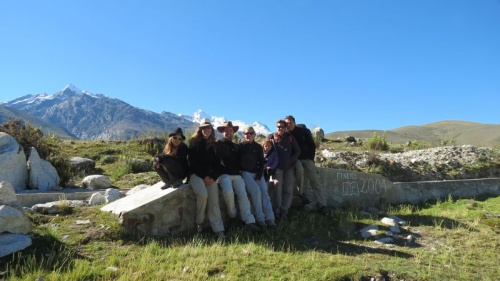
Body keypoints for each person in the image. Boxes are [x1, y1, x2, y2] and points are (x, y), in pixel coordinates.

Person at [215, 121, 260, 232]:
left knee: (243, 196)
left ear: (233, 132)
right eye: (225, 130)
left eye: (230, 130)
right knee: (228, 193)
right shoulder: (217, 145)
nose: (228, 132)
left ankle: (249, 221)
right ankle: (233, 216)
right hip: (223, 175)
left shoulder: (236, 146)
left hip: (237, 174)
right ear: (222, 132)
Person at [188, 118, 226, 239]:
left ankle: (219, 230)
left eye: (208, 128)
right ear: (200, 130)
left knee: (214, 201)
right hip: (195, 175)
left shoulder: (214, 144)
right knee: (203, 195)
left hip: (210, 177)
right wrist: (204, 176)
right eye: (203, 128)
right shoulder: (194, 143)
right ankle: (199, 223)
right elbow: (192, 164)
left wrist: (213, 177)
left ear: (211, 129)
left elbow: (217, 164)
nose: (206, 130)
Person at [285, 115, 328, 215]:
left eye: (290, 123)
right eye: (287, 123)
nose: (289, 125)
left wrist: (311, 159)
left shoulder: (303, 131)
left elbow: (312, 145)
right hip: (296, 159)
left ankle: (323, 205)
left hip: (307, 158)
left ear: (294, 123)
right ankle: (302, 194)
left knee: (315, 181)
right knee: (299, 170)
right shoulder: (286, 134)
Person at [238, 126, 276, 228]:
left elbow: (261, 162)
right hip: (245, 173)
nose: (249, 135)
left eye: (251, 133)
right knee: (255, 191)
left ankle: (270, 218)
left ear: (254, 134)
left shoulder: (258, 147)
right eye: (247, 133)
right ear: (243, 135)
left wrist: (259, 176)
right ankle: (261, 219)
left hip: (257, 173)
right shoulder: (240, 147)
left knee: (264, 192)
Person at [268, 119, 301, 221]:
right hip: (277, 168)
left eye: (282, 126)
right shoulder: (272, 138)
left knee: (288, 190)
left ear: (285, 127)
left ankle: (285, 210)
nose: (280, 128)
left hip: (289, 168)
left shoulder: (290, 138)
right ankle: (277, 211)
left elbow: (297, 151)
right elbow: (266, 150)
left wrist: (291, 160)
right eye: (278, 126)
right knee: (277, 188)